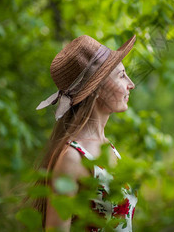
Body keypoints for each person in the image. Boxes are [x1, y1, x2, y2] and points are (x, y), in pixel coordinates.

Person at [32, 34, 137, 231]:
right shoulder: (72, 158)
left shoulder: (108, 147)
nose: (131, 84)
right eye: (122, 75)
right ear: (97, 88)